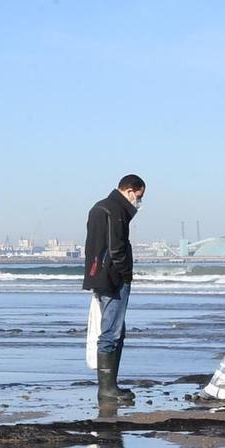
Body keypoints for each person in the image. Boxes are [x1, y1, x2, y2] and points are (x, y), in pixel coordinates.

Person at [83, 174, 145, 410]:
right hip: (113, 278)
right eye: (139, 196)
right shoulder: (116, 210)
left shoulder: (99, 207)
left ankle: (109, 386)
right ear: (130, 190)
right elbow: (117, 247)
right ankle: (108, 389)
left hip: (98, 275)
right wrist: (125, 273)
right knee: (112, 330)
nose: (139, 202)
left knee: (113, 328)